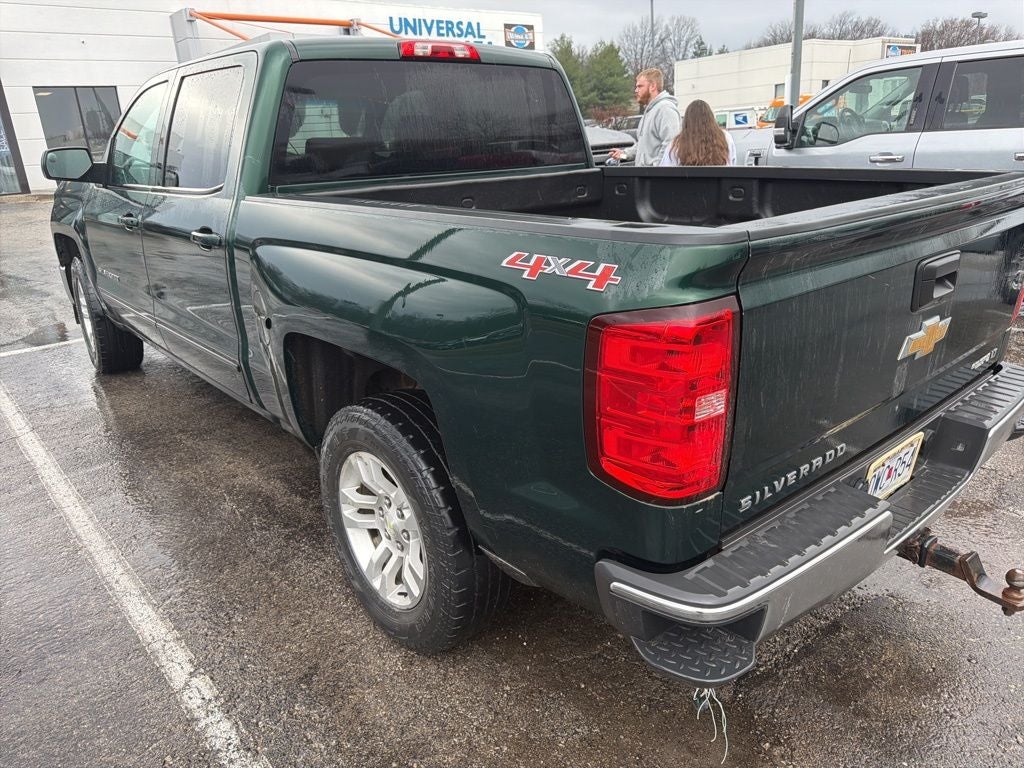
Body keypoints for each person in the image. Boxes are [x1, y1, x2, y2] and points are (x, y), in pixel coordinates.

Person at [608, 68, 680, 167]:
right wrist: (624, 155)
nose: (636, 90)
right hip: (647, 176)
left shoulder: (665, 109)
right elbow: (642, 146)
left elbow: (671, 144)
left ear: (653, 86)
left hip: (657, 178)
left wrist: (657, 170)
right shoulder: (649, 111)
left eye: (640, 86)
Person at [660, 100, 736, 167]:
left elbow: (665, 170)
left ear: (687, 121)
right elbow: (732, 164)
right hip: (719, 182)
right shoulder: (725, 138)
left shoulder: (676, 144)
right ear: (711, 118)